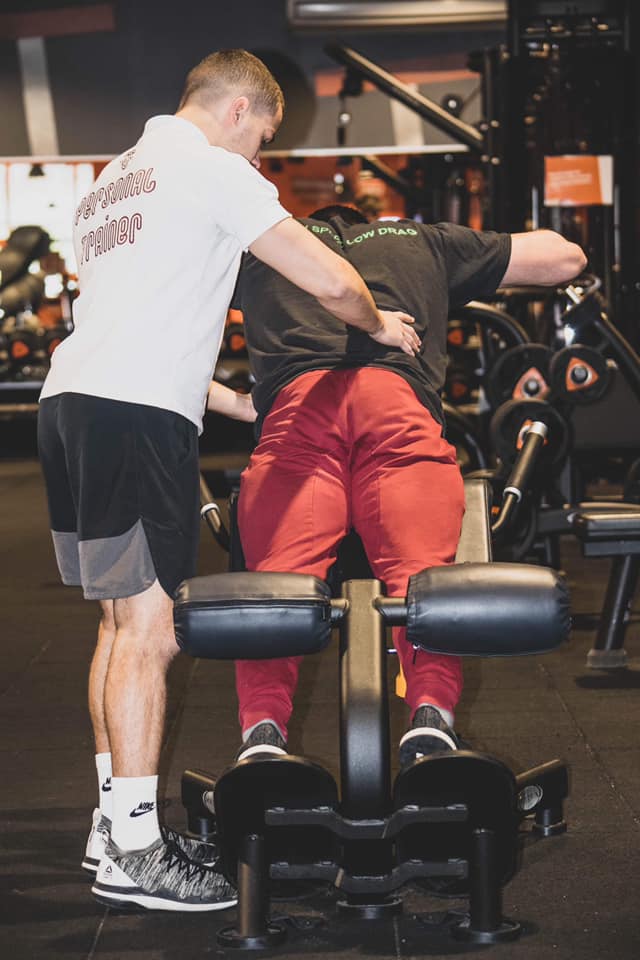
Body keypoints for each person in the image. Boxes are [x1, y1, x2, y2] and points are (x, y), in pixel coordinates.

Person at [37, 53, 418, 914]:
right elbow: (326, 275)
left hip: (72, 404)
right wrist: (380, 323)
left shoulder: (110, 182)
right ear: (240, 108)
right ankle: (139, 847)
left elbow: (126, 317)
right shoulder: (208, 168)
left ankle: (112, 826)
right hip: (131, 416)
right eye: (265, 141)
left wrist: (236, 404)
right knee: (153, 630)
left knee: (117, 622)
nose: (259, 160)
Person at [211, 204, 586, 765]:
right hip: (396, 406)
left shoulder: (266, 244)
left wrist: (236, 403)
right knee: (421, 584)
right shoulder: (423, 239)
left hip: (298, 412)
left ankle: (263, 734)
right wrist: (446, 265)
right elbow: (565, 258)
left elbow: (155, 321)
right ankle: (431, 718)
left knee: (279, 588)